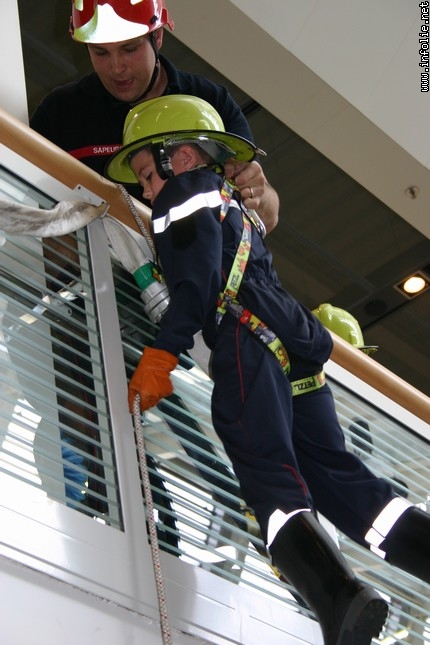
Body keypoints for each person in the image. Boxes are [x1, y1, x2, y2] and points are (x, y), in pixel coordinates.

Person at [106, 93, 430, 645]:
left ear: (181, 158)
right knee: (341, 482)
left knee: (268, 477)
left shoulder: (181, 195)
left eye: (146, 175)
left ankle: (339, 598)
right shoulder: (236, 207)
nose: (146, 191)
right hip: (297, 351)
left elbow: (198, 284)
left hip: (247, 343)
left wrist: (164, 353)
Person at [29, 0, 279, 233]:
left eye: (129, 48)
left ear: (157, 36)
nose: (116, 67)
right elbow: (27, 196)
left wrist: (258, 193)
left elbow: (267, 218)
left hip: (190, 263)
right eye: (100, 52)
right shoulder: (60, 112)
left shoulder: (210, 102)